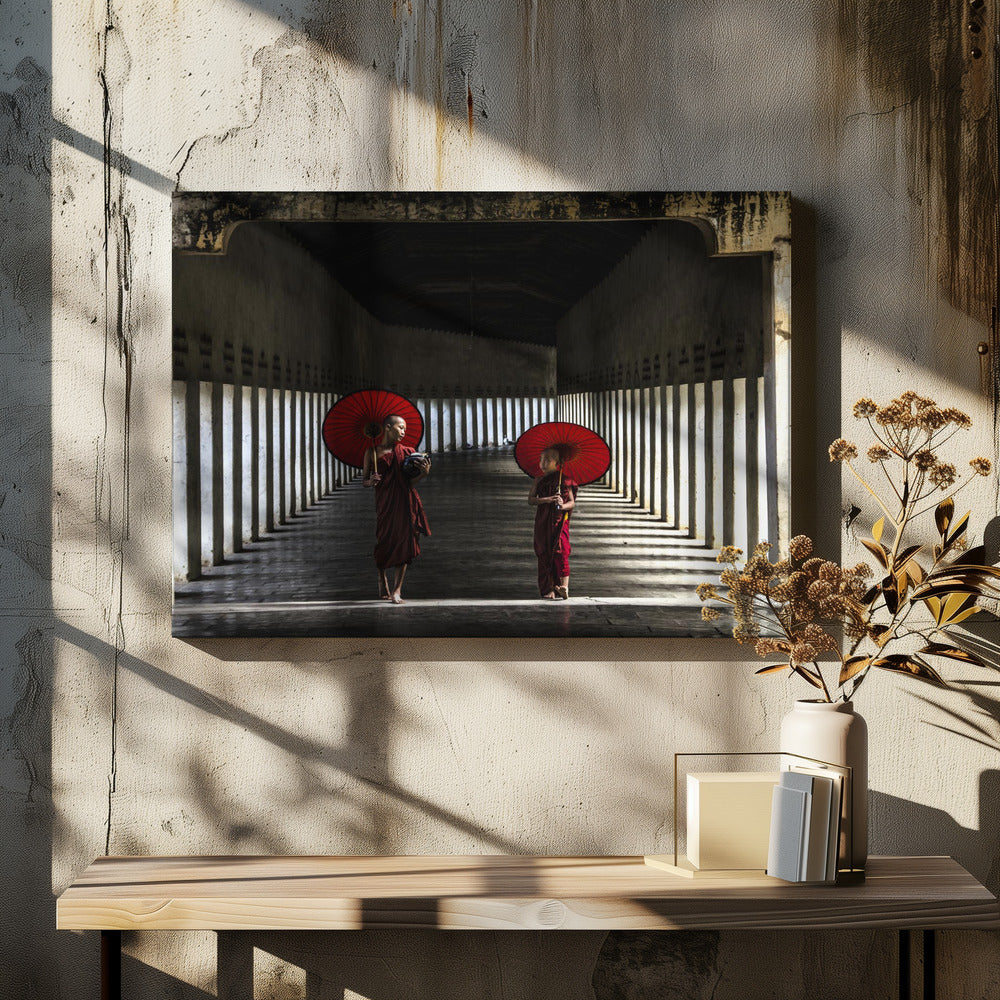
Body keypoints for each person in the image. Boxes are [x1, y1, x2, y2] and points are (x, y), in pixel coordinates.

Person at [362, 414, 431, 603]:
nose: (403, 432)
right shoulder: (373, 453)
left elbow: (409, 481)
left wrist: (423, 474)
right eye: (400, 427)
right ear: (387, 427)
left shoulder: (408, 452)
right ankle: (381, 576)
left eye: (405, 429)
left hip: (405, 502)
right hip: (385, 503)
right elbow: (364, 482)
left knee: (405, 542)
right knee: (384, 540)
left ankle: (397, 590)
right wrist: (371, 481)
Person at [528, 447, 577, 600]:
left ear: (558, 463)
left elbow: (572, 503)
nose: (543, 462)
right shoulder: (538, 480)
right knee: (544, 552)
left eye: (547, 459)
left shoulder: (566, 480)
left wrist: (562, 505)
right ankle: (548, 588)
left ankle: (563, 587)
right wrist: (548, 499)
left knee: (561, 552)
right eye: (541, 459)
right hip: (543, 521)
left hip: (559, 522)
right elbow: (531, 500)